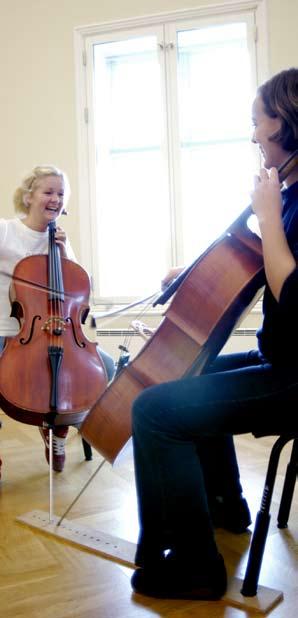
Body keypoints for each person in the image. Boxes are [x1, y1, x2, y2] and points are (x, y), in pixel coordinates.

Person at [130, 66, 298, 600]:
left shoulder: (291, 201)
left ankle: (197, 567)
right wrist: (199, 273)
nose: (253, 136)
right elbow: (260, 270)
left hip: (297, 374)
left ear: (287, 124)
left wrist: (269, 219)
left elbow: (293, 295)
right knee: (192, 373)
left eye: (258, 123)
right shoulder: (291, 193)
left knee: (155, 411)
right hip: (283, 359)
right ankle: (228, 508)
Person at [0, 165, 114, 473]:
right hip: (6, 330)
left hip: (56, 330)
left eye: (61, 194)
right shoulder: (6, 231)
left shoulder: (61, 241)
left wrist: (64, 252)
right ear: (28, 197)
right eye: (48, 192)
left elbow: (78, 288)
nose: (55, 199)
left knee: (107, 366)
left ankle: (57, 431)